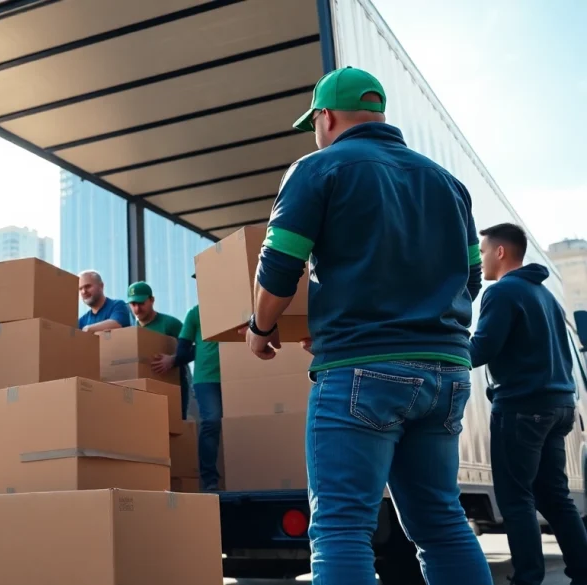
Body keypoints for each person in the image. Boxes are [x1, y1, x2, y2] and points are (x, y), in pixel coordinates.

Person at [243, 66, 491, 584]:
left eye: (314, 123)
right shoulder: (448, 183)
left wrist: (261, 328)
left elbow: (280, 263)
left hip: (362, 370)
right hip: (446, 373)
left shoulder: (317, 168)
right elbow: (470, 278)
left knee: (341, 528)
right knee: (441, 524)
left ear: (326, 117)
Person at [471, 223, 587, 585]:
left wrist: (439, 351)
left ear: (500, 252)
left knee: (516, 498)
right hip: (558, 406)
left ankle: (527, 579)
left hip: (522, 407)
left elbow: (481, 349)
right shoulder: (546, 296)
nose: (480, 259)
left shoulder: (502, 292)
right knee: (555, 497)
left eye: (483, 251)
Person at [155, 285, 221, 491]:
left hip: (237, 376)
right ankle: (209, 481)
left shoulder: (237, 309)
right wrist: (174, 359)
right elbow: (184, 349)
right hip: (206, 378)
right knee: (211, 421)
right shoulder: (195, 313)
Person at [127, 281, 191, 420]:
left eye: (141, 303)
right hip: (145, 390)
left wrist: (173, 359)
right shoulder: (131, 332)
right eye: (133, 304)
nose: (137, 309)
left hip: (175, 385)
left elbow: (192, 349)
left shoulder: (170, 324)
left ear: (152, 300)